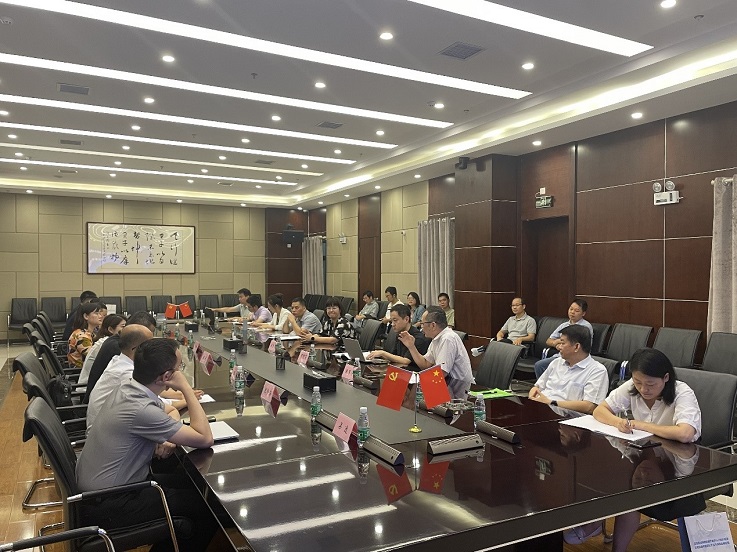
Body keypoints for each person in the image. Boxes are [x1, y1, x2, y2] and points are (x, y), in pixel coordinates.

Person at [76, 338, 218, 551]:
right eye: (179, 368)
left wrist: (166, 435)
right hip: (112, 502)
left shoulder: (129, 387)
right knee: (208, 508)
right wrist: (186, 388)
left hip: (103, 490)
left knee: (193, 484)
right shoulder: (141, 409)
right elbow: (205, 438)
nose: (180, 372)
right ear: (167, 377)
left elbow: (168, 411)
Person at [565, 348, 702, 550]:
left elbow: (685, 433)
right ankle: (593, 524)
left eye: (650, 384)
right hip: (646, 454)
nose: (643, 389)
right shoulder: (633, 386)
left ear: (666, 378)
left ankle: (595, 526)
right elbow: (600, 410)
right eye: (638, 382)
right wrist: (618, 422)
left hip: (679, 466)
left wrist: (642, 425)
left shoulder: (682, 392)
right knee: (608, 476)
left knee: (627, 492)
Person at [528, 324, 608, 414]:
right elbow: (537, 387)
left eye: (562, 343)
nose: (559, 347)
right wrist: (533, 394)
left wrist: (551, 402)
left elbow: (590, 407)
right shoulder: (557, 362)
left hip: (565, 418)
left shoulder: (597, 371)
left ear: (576, 347)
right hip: (541, 409)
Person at [398, 306, 474, 399]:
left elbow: (441, 373)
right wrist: (411, 346)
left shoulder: (448, 338)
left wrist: (417, 378)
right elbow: (425, 364)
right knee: (404, 392)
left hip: (457, 393)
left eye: (422, 324)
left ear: (433, 325)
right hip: (446, 385)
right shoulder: (436, 338)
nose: (421, 328)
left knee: (411, 397)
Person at [83, 311, 157, 403]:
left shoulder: (118, 343)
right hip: (103, 404)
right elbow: (148, 386)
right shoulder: (118, 349)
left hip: (107, 402)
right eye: (151, 333)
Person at [534, 299, 593, 378]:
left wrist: (559, 341)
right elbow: (548, 341)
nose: (572, 312)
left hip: (575, 358)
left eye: (576, 311)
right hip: (560, 356)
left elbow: (577, 345)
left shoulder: (585, 327)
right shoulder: (564, 325)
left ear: (583, 313)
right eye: (571, 309)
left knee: (540, 365)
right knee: (540, 365)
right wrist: (557, 344)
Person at [368, 303, 430, 370]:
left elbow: (406, 361)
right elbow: (394, 355)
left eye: (395, 320)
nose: (392, 324)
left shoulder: (417, 337)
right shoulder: (400, 333)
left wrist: (382, 353)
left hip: (412, 372)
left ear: (406, 319)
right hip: (400, 370)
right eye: (391, 321)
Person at [78, 313, 127, 391]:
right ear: (110, 329)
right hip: (87, 388)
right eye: (123, 326)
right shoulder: (110, 344)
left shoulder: (107, 341)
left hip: (95, 386)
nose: (127, 329)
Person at [67, 301, 106, 368]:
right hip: (81, 372)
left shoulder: (89, 333)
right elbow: (95, 358)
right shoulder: (82, 337)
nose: (100, 316)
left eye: (100, 313)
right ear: (86, 316)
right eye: (96, 313)